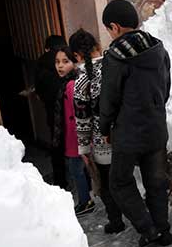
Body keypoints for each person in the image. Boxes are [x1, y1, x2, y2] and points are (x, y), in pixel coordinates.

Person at [99, 0, 172, 246]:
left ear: (115, 27)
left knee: (119, 182)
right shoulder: (158, 49)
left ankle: (148, 229)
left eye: (108, 29)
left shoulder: (115, 57)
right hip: (155, 129)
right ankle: (163, 231)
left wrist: (105, 127)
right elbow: (165, 89)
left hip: (128, 134)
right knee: (157, 182)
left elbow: (109, 98)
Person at [69, 29, 124, 232]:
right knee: (125, 180)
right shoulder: (113, 68)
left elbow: (82, 120)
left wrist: (83, 150)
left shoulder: (81, 81)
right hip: (123, 133)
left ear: (76, 56)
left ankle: (116, 221)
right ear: (98, 47)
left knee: (107, 185)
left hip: (102, 143)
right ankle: (140, 218)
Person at [52, 45, 95, 216]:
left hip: (75, 138)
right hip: (73, 138)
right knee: (79, 170)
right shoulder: (68, 83)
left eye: (65, 61)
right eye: (57, 62)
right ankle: (87, 199)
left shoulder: (71, 85)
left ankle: (86, 202)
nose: (60, 66)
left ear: (74, 62)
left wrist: (82, 142)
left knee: (77, 171)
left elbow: (77, 116)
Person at [35, 35, 69, 190]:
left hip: (53, 113)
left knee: (57, 148)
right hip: (71, 111)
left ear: (46, 48)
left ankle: (61, 183)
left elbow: (39, 90)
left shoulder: (41, 64)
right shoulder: (68, 60)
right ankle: (87, 182)